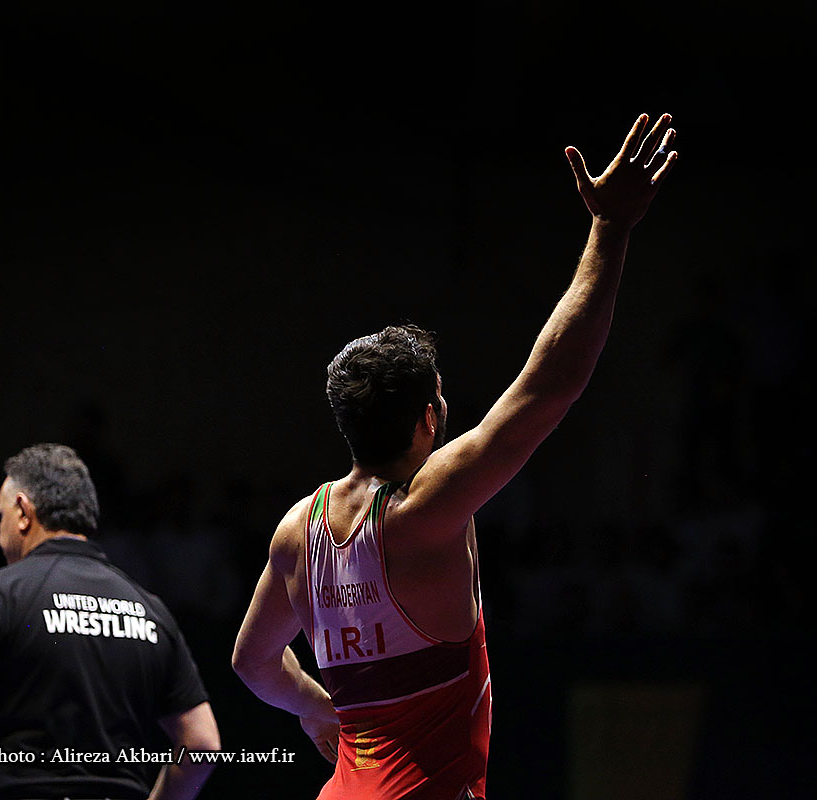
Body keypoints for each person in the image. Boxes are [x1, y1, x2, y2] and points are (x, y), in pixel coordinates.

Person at [231, 113, 678, 799]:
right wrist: (610, 228)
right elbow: (550, 386)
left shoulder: (297, 532)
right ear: (428, 418)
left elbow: (252, 662)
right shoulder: (424, 510)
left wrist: (319, 710)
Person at [0, 444, 221, 800]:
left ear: (23, 511)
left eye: (1, 516)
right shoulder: (149, 608)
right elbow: (202, 743)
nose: (0, 530)